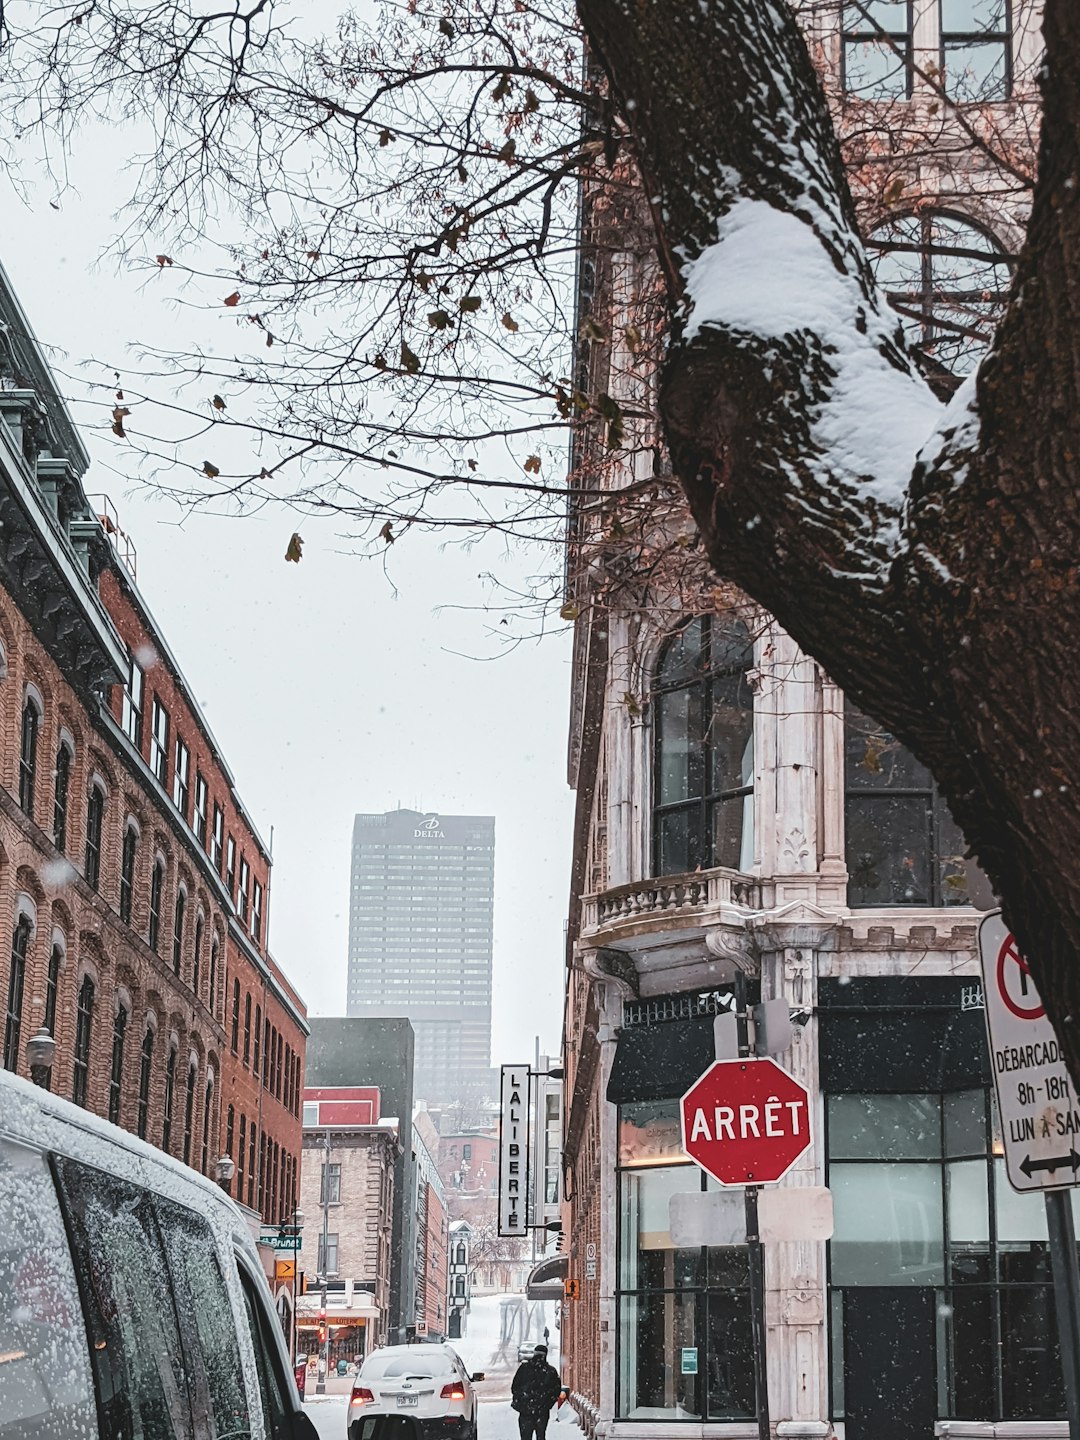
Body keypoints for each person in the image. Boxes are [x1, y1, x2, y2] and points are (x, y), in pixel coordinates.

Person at [511, 1344, 563, 1440]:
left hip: (526, 1410)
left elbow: (515, 1387)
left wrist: (521, 1400)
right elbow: (556, 1391)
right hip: (542, 1411)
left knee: (526, 1437)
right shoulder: (550, 1371)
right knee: (541, 1436)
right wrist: (547, 1404)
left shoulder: (524, 1368)